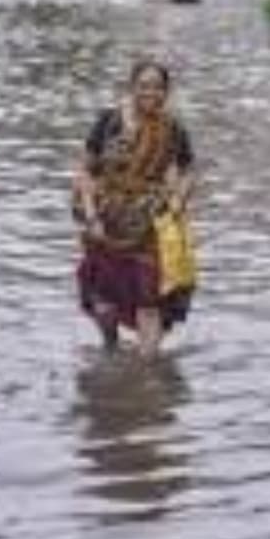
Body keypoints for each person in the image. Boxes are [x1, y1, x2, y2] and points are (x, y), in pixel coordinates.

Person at [75, 60, 196, 358]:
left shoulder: (173, 128)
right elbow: (85, 171)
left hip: (149, 223)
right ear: (131, 88)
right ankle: (110, 349)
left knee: (149, 299)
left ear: (166, 92)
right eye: (144, 86)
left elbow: (189, 167)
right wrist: (91, 215)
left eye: (157, 87)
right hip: (106, 220)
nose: (151, 93)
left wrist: (179, 199)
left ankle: (148, 373)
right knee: (104, 302)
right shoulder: (109, 122)